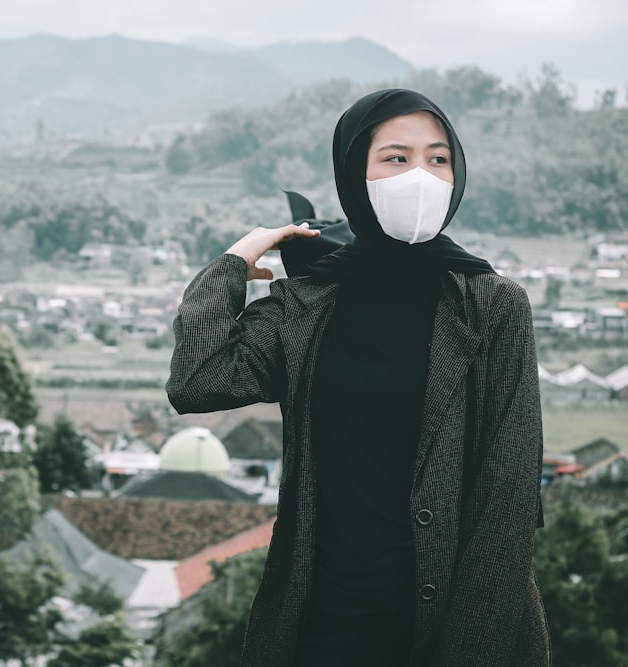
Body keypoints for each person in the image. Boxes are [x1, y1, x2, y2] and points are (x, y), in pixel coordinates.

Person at [165, 89, 550, 666]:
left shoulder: (490, 306)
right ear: (353, 174)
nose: (420, 176)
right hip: (320, 623)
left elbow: (509, 502)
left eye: (438, 159)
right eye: (396, 158)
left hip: (450, 627)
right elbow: (197, 381)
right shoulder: (305, 306)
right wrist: (232, 264)